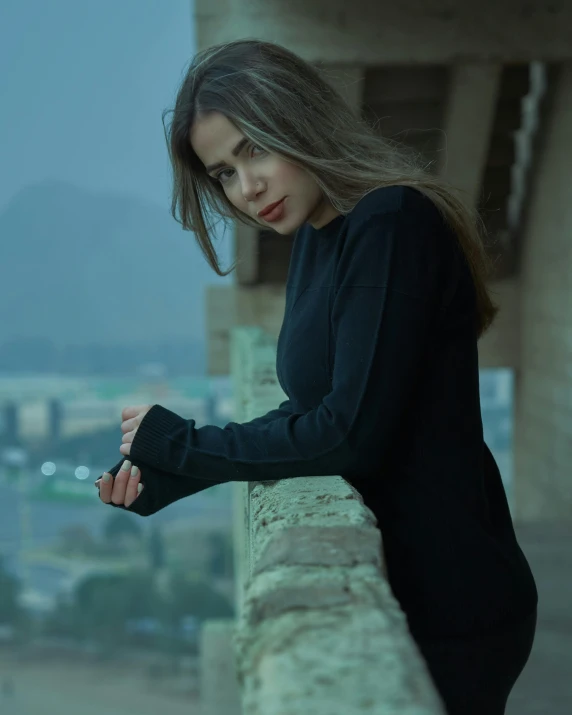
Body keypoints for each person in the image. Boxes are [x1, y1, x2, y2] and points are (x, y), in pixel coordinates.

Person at [94, 39, 538, 714]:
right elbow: (311, 408)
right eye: (223, 174)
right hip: (410, 586)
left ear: (299, 120)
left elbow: (347, 433)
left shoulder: (391, 222)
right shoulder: (316, 235)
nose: (248, 188)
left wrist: (184, 444)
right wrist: (172, 475)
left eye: (254, 150)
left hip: (452, 601)